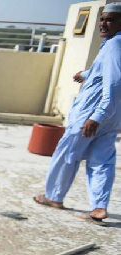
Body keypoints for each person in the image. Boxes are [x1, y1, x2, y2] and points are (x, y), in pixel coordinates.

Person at [34, 2, 121, 223]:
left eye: (110, 19)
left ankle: (54, 196)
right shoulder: (113, 44)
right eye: (102, 18)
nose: (103, 23)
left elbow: (115, 83)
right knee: (102, 160)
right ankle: (99, 207)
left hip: (91, 115)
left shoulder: (114, 46)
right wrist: (85, 74)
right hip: (112, 116)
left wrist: (96, 117)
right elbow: (105, 71)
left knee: (67, 155)